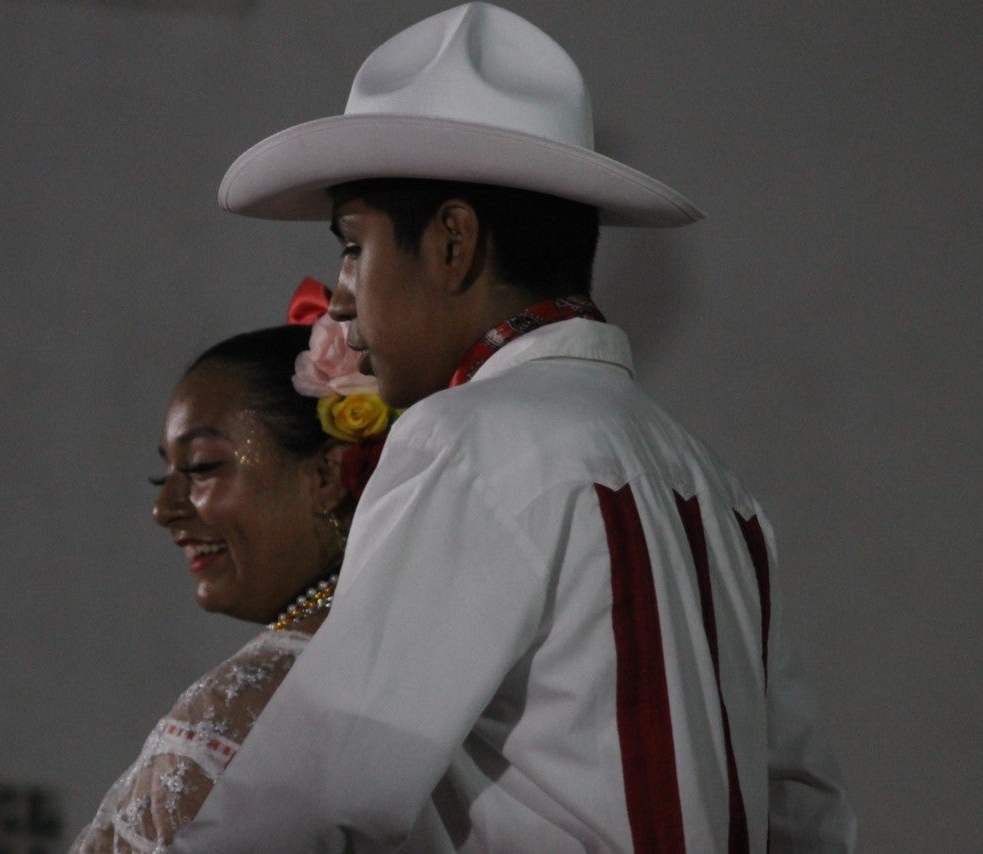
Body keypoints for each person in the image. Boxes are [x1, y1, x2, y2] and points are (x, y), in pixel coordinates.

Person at [171, 3, 857, 852]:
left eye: (355, 244)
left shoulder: (465, 441)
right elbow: (805, 807)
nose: (340, 293)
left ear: (454, 243)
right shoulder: (710, 481)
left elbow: (310, 795)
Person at [68, 280, 396, 853]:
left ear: (326, 474)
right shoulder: (415, 653)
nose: (163, 510)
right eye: (161, 477)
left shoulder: (248, 704)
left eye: (200, 468)